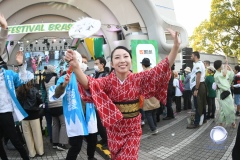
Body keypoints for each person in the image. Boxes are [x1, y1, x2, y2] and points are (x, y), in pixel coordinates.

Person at [65, 28, 180, 160]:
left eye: (126, 56)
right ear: (112, 64)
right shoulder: (107, 81)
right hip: (114, 130)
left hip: (133, 130)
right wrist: (76, 67)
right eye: (117, 57)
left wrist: (175, 46)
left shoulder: (138, 78)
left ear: (131, 61)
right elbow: (89, 84)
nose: (122, 60)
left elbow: (161, 68)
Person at [49, 53, 98, 160]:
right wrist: (64, 85)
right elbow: (55, 94)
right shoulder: (64, 77)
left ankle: (91, 157)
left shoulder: (87, 77)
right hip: (75, 117)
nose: (84, 65)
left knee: (93, 140)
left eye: (85, 63)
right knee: (76, 145)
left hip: (89, 114)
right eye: (82, 62)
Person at [0, 13, 30, 160]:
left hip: (6, 112)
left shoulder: (8, 75)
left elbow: (23, 80)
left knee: (16, 140)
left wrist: (20, 64)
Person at [16, 72, 44, 158]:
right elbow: (40, 100)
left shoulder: (19, 91)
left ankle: (31, 153)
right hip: (34, 115)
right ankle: (40, 151)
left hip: (24, 116)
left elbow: (18, 103)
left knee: (27, 135)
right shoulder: (34, 90)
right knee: (37, 134)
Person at [44, 65, 68, 150]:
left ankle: (55, 143)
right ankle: (62, 144)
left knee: (55, 124)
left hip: (51, 105)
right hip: (59, 104)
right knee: (63, 123)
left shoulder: (45, 81)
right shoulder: (55, 78)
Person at [187, 51, 207, 129]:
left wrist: (196, 88)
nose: (191, 57)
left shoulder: (198, 64)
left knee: (198, 104)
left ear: (195, 56)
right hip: (200, 86)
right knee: (202, 103)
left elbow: (198, 76)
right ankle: (203, 119)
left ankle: (197, 122)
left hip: (198, 86)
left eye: (192, 56)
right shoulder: (200, 63)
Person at [92, 57, 109, 149]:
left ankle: (108, 140)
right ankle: (104, 138)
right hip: (95, 103)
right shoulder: (95, 74)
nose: (95, 65)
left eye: (96, 63)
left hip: (103, 104)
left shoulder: (105, 75)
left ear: (102, 64)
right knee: (98, 124)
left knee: (103, 124)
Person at [214, 59, 236, 127]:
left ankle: (232, 121)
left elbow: (231, 75)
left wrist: (230, 69)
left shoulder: (221, 72)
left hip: (227, 93)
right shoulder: (217, 74)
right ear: (219, 66)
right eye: (222, 64)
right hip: (221, 94)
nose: (223, 65)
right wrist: (226, 64)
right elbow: (224, 74)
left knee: (231, 108)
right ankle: (221, 123)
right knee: (223, 109)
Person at [141, 58, 160, 135]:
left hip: (147, 96)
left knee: (148, 113)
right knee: (153, 112)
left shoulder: (143, 73)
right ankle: (154, 126)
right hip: (155, 95)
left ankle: (153, 129)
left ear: (143, 65)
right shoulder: (155, 71)